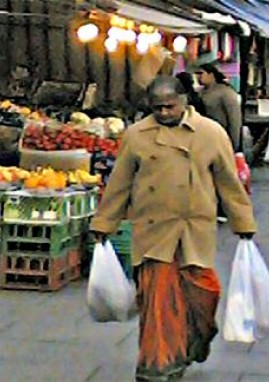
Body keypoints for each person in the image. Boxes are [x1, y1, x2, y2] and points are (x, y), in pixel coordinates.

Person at [89, 76, 257, 382]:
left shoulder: (210, 133)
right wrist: (104, 223)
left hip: (195, 228)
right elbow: (119, 184)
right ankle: (157, 365)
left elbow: (228, 183)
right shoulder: (137, 135)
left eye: (170, 106)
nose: (164, 112)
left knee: (205, 293)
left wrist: (243, 222)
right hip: (153, 231)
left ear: (185, 101)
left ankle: (199, 335)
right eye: (158, 108)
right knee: (158, 304)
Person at [195, 63, 242, 152]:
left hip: (220, 135)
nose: (198, 77)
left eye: (201, 73)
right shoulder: (198, 92)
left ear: (211, 74)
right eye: (197, 74)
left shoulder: (225, 92)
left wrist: (233, 142)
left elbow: (234, 118)